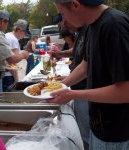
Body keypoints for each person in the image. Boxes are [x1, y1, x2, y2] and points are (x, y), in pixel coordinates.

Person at [49, 0, 129, 149]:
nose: (63, 21)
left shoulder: (114, 26)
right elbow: (85, 65)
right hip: (99, 125)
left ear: (75, 5)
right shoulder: (91, 26)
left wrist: (74, 94)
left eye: (63, 14)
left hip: (118, 133)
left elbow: (126, 90)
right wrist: (60, 85)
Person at [52, 24, 89, 150]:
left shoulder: (90, 30)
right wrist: (59, 53)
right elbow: (76, 51)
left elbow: (85, 67)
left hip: (85, 89)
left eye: (63, 15)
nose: (63, 23)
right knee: (81, 130)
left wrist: (63, 85)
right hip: (78, 87)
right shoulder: (81, 31)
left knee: (85, 135)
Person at [3, 19, 29, 91]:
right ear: (20, 30)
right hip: (8, 76)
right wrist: (16, 80)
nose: (24, 36)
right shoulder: (13, 40)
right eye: (25, 33)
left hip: (3, 74)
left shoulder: (7, 35)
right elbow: (13, 62)